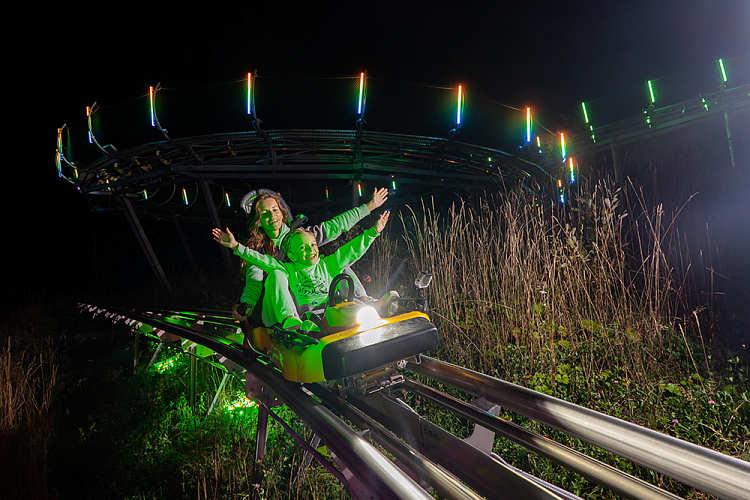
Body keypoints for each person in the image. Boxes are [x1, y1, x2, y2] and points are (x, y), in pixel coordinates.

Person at [213, 210, 390, 334]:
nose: (311, 250)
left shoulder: (326, 265)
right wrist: (237, 247)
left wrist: (373, 232)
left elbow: (350, 251)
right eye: (303, 248)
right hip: (302, 319)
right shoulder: (287, 269)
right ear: (291, 254)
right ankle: (290, 322)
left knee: (343, 268)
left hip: (327, 316)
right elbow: (263, 260)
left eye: (313, 245)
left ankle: (369, 305)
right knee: (275, 273)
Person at [233, 188, 388, 325]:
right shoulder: (258, 251)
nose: (272, 216)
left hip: (313, 295)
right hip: (285, 301)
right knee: (276, 274)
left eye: (275, 210)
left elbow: (337, 226)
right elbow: (254, 282)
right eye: (265, 213)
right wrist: (247, 304)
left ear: (281, 213)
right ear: (258, 220)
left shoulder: (303, 236)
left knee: (338, 264)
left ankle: (363, 301)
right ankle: (290, 321)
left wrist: (370, 207)